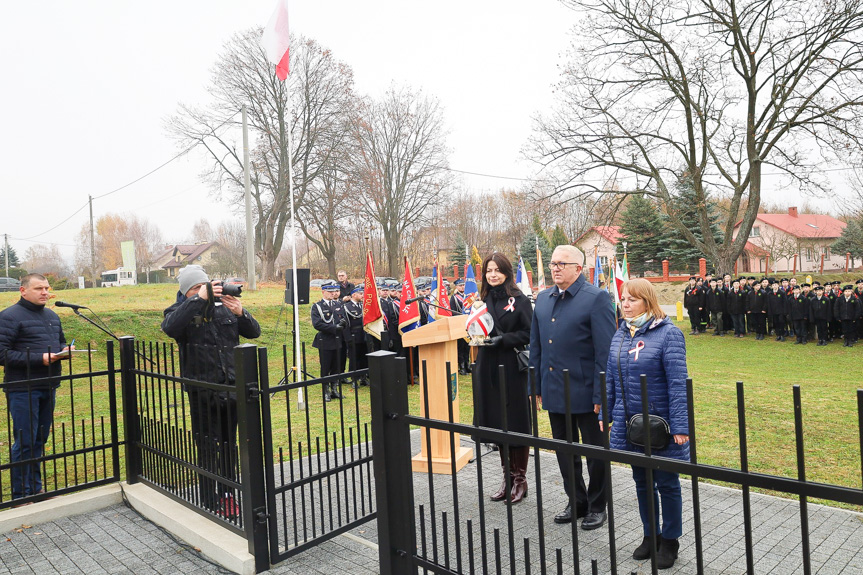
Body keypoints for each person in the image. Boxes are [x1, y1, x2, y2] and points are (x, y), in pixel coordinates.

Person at [602, 278, 689, 569]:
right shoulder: (621, 334)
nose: (625, 304)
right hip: (630, 423)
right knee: (641, 481)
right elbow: (612, 379)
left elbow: (678, 384)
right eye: (623, 299)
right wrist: (607, 415)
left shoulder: (668, 334)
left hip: (660, 424)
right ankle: (650, 534)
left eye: (632, 299)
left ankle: (670, 539)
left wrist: (680, 426)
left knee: (667, 482)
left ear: (648, 302)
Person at [161, 265, 261, 519]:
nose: (204, 290)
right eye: (196, 287)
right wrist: (199, 299)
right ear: (185, 292)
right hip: (202, 390)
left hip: (230, 387)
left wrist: (241, 313)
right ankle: (208, 497)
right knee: (207, 445)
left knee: (228, 444)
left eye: (205, 285)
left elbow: (254, 332)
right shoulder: (179, 310)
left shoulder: (222, 309)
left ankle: (228, 493)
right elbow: (170, 328)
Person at [530, 244, 616, 530]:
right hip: (555, 388)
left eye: (562, 264)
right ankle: (576, 500)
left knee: (595, 453)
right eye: (553, 263)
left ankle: (597, 504)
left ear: (579, 269)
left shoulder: (597, 298)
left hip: (587, 391)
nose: (555, 268)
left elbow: (605, 351)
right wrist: (536, 385)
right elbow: (537, 346)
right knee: (565, 451)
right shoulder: (543, 299)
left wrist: (602, 394)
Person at [0, 273, 71, 502]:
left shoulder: (51, 315)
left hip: (48, 385)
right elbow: (3, 354)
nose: (45, 292)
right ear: (23, 291)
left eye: (47, 288)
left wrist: (64, 351)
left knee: (40, 439)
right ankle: (21, 495)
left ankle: (37, 489)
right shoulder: (9, 317)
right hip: (22, 388)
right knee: (25, 440)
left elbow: (59, 341)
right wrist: (39, 359)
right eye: (39, 288)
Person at [472, 253, 533, 504]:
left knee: (515, 422)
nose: (493, 274)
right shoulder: (482, 298)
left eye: (498, 270)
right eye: (489, 270)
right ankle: (506, 477)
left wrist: (503, 339)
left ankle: (520, 479)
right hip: (488, 364)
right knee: (498, 422)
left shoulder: (519, 300)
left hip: (510, 365)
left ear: (507, 272)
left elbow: (529, 333)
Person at [311, 283, 347, 400]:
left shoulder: (338, 304)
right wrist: (334, 328)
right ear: (323, 292)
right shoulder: (317, 306)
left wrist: (343, 324)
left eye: (334, 291)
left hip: (337, 340)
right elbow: (317, 324)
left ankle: (334, 389)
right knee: (326, 367)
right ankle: (326, 391)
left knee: (337, 366)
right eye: (330, 291)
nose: (333, 293)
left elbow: (342, 319)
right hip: (325, 340)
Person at [343, 285, 369, 388]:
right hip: (354, 335)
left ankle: (363, 377)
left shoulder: (364, 306)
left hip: (364, 334)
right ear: (354, 295)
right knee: (354, 358)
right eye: (360, 294)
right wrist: (348, 338)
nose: (363, 296)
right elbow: (346, 324)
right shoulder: (347, 307)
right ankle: (354, 378)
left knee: (364, 357)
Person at [449, 279, 470, 375]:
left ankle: (467, 364)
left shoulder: (468, 297)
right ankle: (461, 366)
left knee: (467, 346)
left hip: (468, 324)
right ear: (456, 287)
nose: (462, 287)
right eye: (460, 285)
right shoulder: (454, 298)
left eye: (463, 285)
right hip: (459, 324)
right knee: (460, 346)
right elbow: (452, 312)